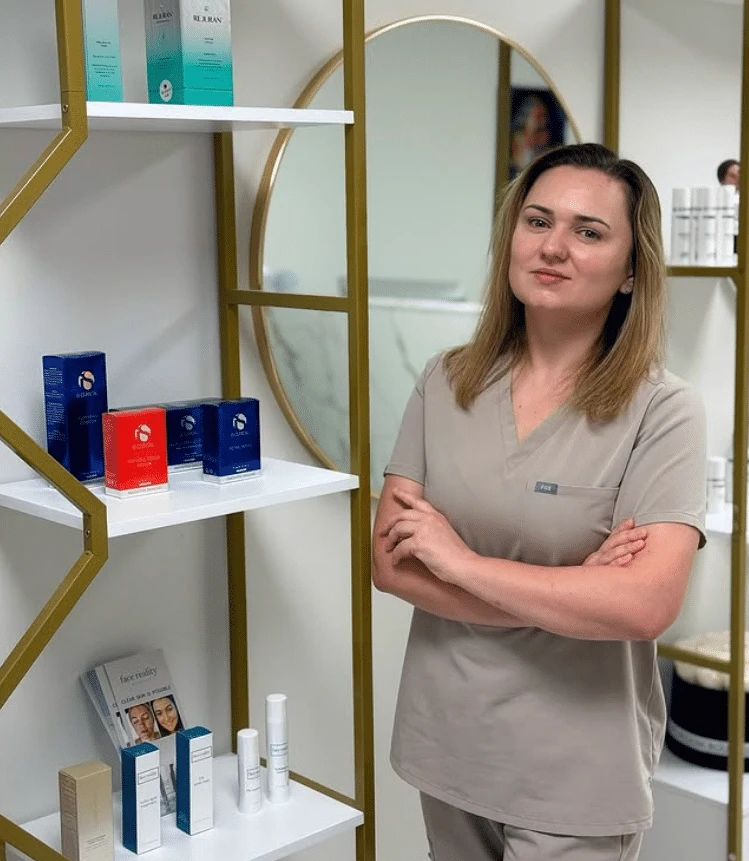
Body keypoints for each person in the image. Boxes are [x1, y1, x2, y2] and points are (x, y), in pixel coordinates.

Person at [372, 142, 706, 861]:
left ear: (629, 271)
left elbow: (643, 605)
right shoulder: (445, 381)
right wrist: (576, 587)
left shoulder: (663, 411)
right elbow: (391, 565)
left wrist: (458, 561)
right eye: (536, 221)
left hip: (574, 773)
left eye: (588, 231)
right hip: (449, 745)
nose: (553, 246)